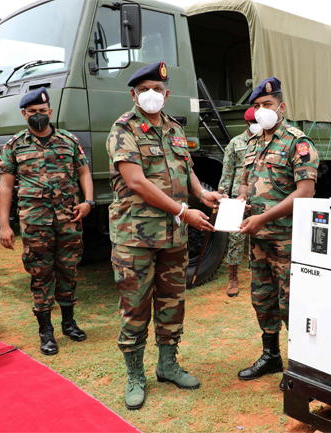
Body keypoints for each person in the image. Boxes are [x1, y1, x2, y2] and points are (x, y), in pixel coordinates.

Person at [106, 61, 223, 410]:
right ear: (133, 94)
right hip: (135, 237)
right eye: (144, 90)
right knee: (135, 307)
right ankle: (135, 374)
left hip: (173, 237)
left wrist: (202, 195)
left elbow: (185, 170)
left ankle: (167, 365)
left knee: (172, 302)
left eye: (157, 89)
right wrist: (184, 211)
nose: (151, 95)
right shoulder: (123, 129)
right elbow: (136, 182)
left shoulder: (173, 128)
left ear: (167, 94)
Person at [236, 77, 319, 389]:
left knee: (292, 304)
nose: (261, 111)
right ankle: (271, 356)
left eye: (267, 105)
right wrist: (242, 203)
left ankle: (300, 368)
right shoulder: (254, 142)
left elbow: (305, 192)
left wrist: (263, 217)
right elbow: (245, 183)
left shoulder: (298, 143)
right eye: (257, 106)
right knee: (263, 299)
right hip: (257, 239)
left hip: (288, 240)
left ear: (281, 107)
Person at [0, 87, 92, 356]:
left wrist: (88, 201)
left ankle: (69, 323)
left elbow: (84, 172)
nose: (38, 116)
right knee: (40, 273)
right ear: (23, 114)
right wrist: (5, 225)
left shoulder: (68, 140)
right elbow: (6, 187)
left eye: (42, 111)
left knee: (69, 269)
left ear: (50, 112)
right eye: (32, 112)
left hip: (69, 217)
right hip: (35, 222)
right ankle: (46, 331)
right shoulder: (14, 145)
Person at [217, 107, 259, 297]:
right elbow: (227, 172)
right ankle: (232, 278)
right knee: (236, 237)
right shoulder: (235, 143)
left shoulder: (267, 141)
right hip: (237, 197)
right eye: (253, 123)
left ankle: (258, 276)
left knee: (260, 236)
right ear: (247, 123)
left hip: (260, 196)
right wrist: (222, 194)